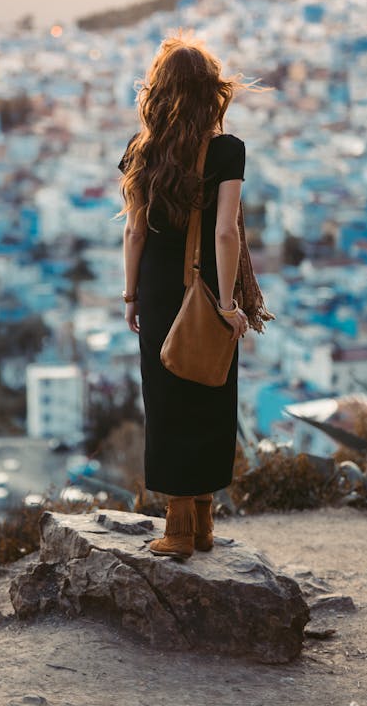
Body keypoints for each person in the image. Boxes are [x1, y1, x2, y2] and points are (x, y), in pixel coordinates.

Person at [118, 33, 251, 560]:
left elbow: (134, 233)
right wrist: (227, 304)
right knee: (212, 399)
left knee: (167, 404)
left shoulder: (141, 149)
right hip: (207, 291)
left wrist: (130, 296)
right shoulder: (228, 150)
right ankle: (200, 524)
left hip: (156, 292)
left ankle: (178, 530)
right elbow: (225, 233)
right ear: (211, 93)